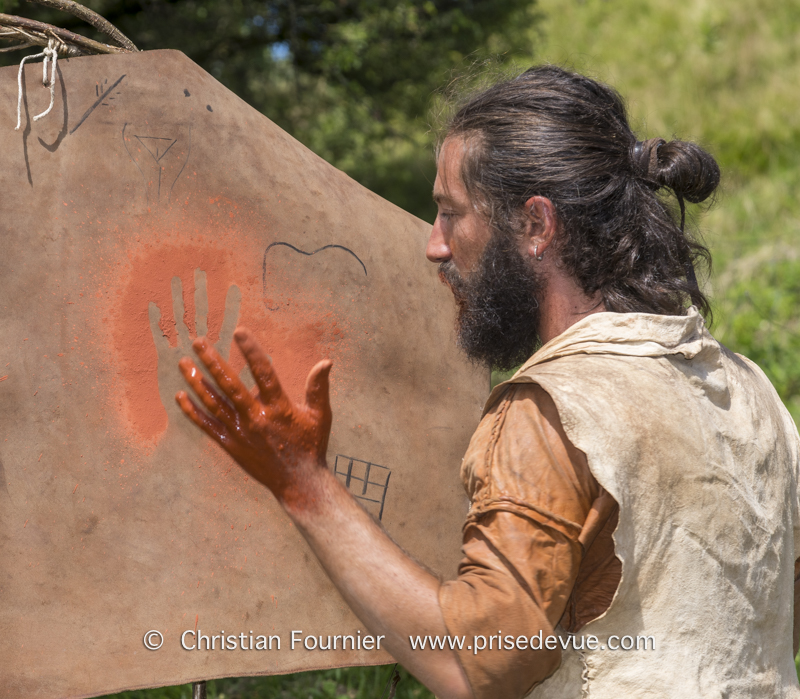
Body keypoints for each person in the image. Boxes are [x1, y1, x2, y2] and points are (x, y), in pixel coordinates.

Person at [174, 66, 800, 698]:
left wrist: (303, 483)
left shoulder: (555, 410)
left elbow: (475, 668)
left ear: (535, 224)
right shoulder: (749, 390)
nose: (434, 246)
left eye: (452, 214)